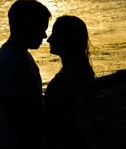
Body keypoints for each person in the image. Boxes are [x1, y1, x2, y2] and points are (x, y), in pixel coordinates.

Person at [0, 0, 52, 149]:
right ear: (23, 26)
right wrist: (55, 130)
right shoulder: (10, 61)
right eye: (40, 29)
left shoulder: (20, 55)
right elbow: (16, 116)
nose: (44, 36)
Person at [44, 15, 96, 149]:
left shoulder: (74, 75)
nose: (49, 39)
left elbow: (86, 115)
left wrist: (68, 140)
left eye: (55, 34)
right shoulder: (72, 72)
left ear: (67, 39)